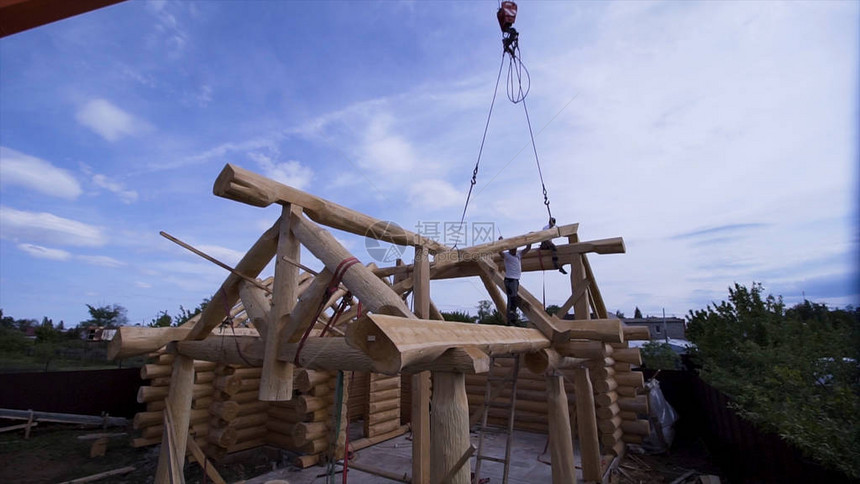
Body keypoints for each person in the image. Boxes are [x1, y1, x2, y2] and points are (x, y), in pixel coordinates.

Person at [500, 237, 530, 325]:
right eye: (513, 249)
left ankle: (512, 318)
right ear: (510, 249)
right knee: (513, 297)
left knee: (513, 298)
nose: (514, 250)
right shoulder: (507, 255)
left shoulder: (518, 255)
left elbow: (528, 248)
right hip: (510, 280)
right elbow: (500, 252)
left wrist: (530, 238)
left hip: (515, 280)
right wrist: (501, 242)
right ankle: (511, 319)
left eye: (515, 249)